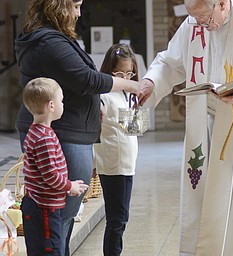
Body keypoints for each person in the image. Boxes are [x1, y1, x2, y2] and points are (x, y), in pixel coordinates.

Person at [139, 0, 233, 255]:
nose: (200, 25)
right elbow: (170, 62)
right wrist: (150, 81)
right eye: (195, 18)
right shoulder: (194, 24)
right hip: (207, 123)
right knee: (205, 196)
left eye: (204, 18)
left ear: (222, 3)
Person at [14, 1, 140, 255]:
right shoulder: (49, 42)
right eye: (75, 5)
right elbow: (85, 79)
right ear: (58, 6)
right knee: (59, 217)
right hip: (66, 134)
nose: (79, 13)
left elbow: (71, 80)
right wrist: (128, 85)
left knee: (63, 218)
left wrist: (94, 106)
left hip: (69, 131)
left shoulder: (48, 39)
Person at [21, 77, 89, 255]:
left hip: (40, 205)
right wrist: (70, 186)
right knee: (50, 249)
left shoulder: (36, 131)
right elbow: (50, 175)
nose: (63, 105)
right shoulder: (44, 138)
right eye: (61, 101)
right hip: (45, 208)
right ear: (51, 105)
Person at [93, 43, 139, 256]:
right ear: (109, 72)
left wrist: (139, 106)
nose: (125, 78)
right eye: (119, 73)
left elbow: (136, 129)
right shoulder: (105, 94)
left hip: (128, 162)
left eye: (129, 73)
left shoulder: (128, 94)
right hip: (113, 164)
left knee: (122, 217)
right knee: (117, 219)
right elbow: (98, 109)